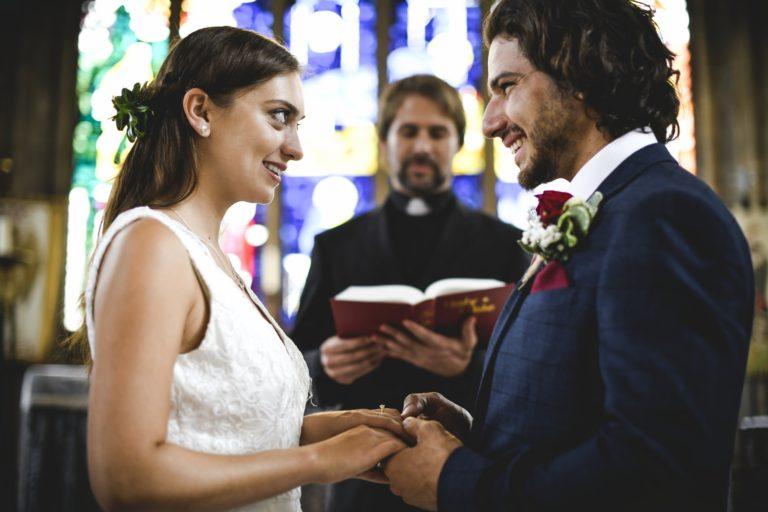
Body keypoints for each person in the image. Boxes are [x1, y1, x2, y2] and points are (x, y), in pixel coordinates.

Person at [383, 1, 755, 511]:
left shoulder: (664, 216)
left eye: (507, 86)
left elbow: (655, 468)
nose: (490, 122)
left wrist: (455, 479)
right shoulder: (613, 209)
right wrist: (472, 435)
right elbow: (583, 415)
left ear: (581, 74)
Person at [74, 27, 407, 512]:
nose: (295, 148)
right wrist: (318, 461)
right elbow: (126, 479)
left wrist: (342, 430)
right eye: (279, 117)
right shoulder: (151, 244)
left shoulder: (214, 259)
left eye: (297, 124)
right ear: (201, 111)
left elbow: (229, 430)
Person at [291, 74, 529, 511]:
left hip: (467, 473)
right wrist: (325, 365)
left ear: (458, 143)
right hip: (363, 482)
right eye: (408, 131)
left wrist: (469, 366)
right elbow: (292, 363)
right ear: (384, 141)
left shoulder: (506, 247)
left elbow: (529, 374)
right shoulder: (336, 246)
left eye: (437, 133)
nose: (422, 146)